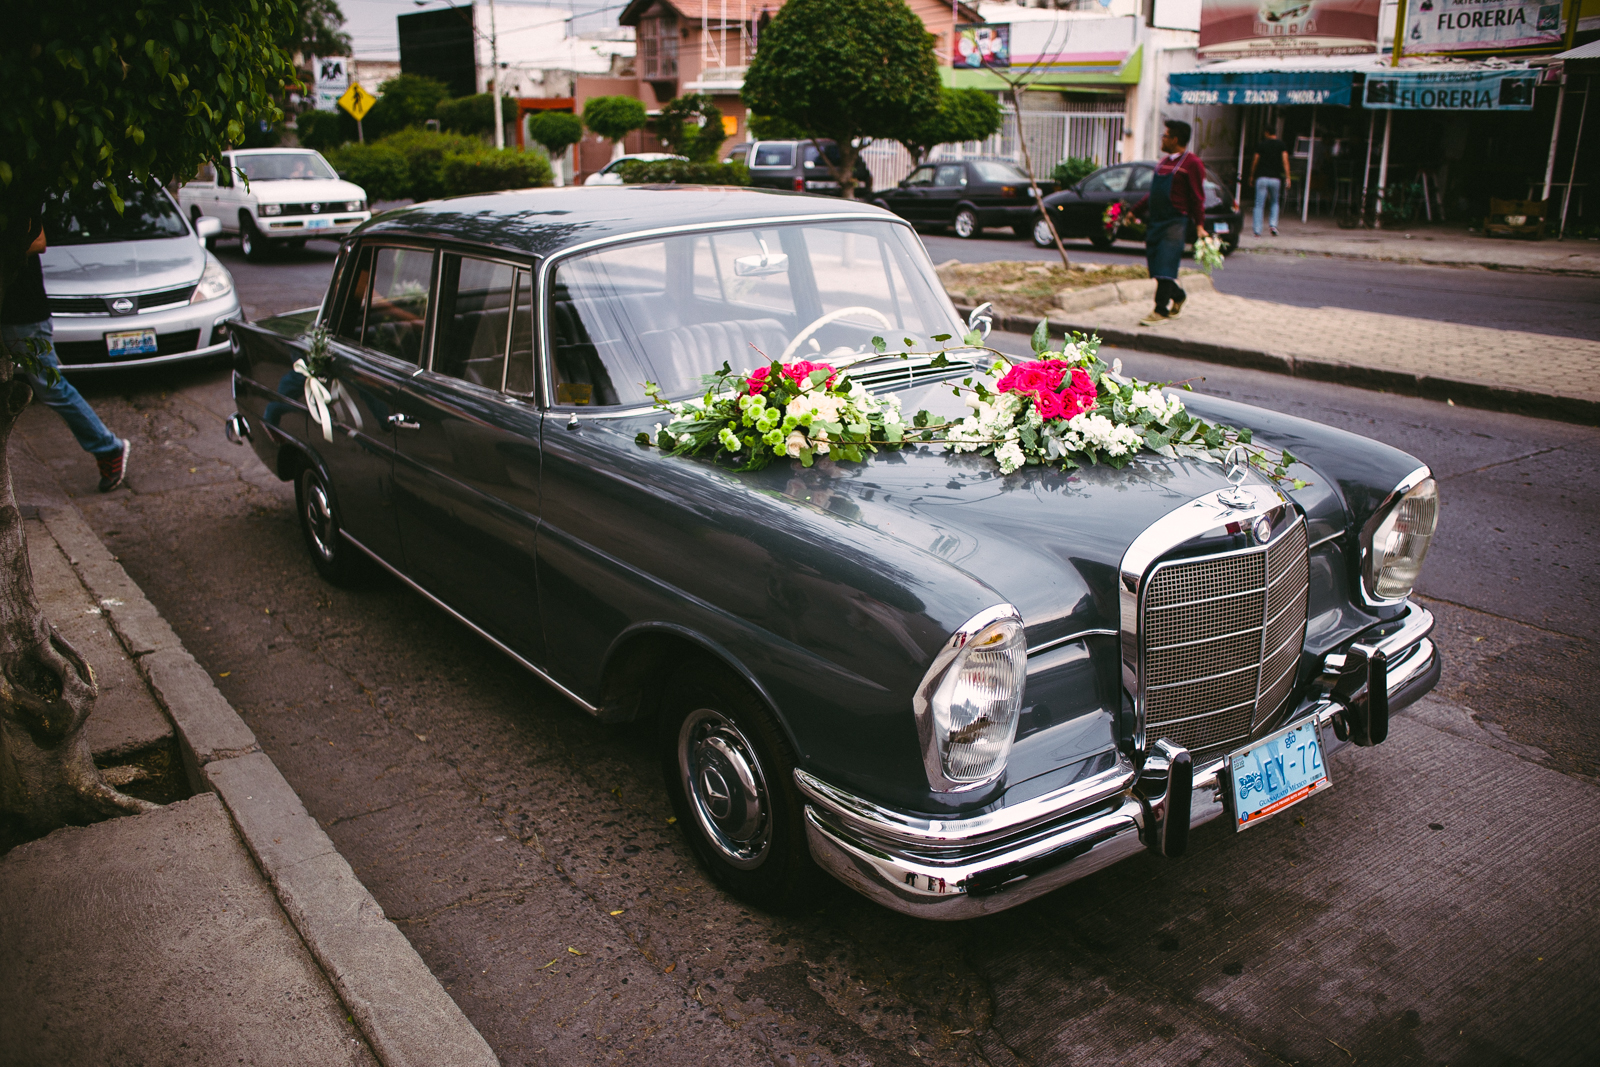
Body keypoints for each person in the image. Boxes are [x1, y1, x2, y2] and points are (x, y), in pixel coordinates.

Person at [1, 220, 131, 491]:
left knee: (51, 387)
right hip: (12, 312)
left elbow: (38, 242)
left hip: (23, 312)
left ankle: (108, 447)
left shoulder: (17, 195)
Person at [1132, 120, 1208, 327]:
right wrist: (1134, 211)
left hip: (1176, 221)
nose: (1162, 139)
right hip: (1156, 221)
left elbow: (1197, 197)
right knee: (1157, 266)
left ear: (1175, 139)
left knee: (1166, 264)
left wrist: (1200, 225)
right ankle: (1179, 295)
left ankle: (1160, 309)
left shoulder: (1192, 164)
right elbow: (1153, 194)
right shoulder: (1164, 162)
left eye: (1165, 136)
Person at [1248, 130, 1291, 237]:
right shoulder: (1281, 145)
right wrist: (1288, 177)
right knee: (1274, 202)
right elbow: (1285, 161)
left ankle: (1257, 231)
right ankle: (1273, 225)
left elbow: (1255, 160)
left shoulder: (1261, 145)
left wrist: (1252, 175)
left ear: (1266, 133)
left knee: (1259, 204)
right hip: (1275, 178)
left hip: (1262, 177)